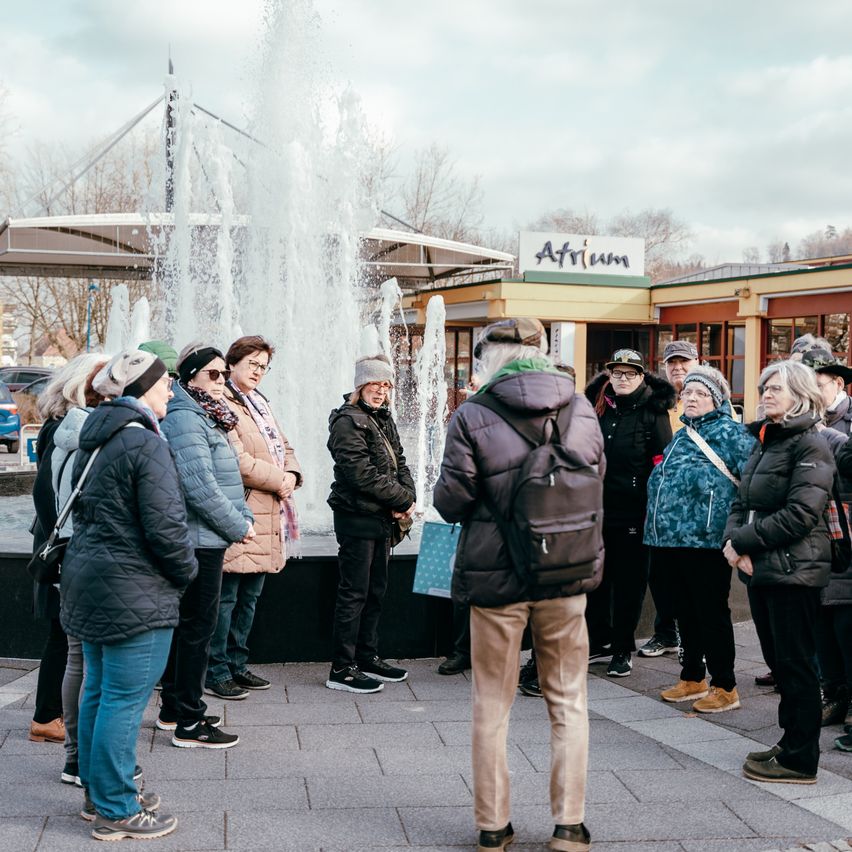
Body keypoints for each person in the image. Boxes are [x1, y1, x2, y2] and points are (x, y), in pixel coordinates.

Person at [434, 317, 601, 852]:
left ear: (489, 357)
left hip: (497, 576)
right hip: (566, 574)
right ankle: (569, 826)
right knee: (569, 700)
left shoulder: (473, 413)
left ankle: (493, 826)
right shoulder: (582, 408)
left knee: (492, 703)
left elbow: (451, 501)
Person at [60, 350, 197, 840]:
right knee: (122, 699)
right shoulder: (145, 443)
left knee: (99, 691)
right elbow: (166, 529)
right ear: (141, 389)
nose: (171, 392)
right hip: (133, 589)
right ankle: (117, 809)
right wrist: (186, 573)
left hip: (90, 580)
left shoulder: (97, 435)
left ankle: (100, 796)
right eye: (164, 385)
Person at [724, 359, 835, 785]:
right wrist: (733, 544)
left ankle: (801, 759)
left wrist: (743, 542)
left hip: (795, 570)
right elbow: (741, 499)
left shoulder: (811, 445)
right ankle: (789, 743)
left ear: (801, 395)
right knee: (779, 663)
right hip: (762, 567)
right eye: (764, 387)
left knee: (796, 665)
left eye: (777, 388)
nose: (766, 393)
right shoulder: (765, 441)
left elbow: (801, 514)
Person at [158, 343, 255, 748]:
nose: (221, 381)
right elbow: (198, 485)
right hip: (201, 538)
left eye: (222, 374)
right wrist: (239, 525)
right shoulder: (186, 418)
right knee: (198, 627)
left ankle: (175, 708)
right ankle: (190, 723)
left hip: (207, 536)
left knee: (189, 626)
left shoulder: (202, 413)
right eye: (212, 374)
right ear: (191, 376)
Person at [645, 367, 755, 712]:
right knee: (684, 612)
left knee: (711, 612)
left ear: (717, 399)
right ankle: (692, 676)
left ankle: (725, 686)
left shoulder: (734, 435)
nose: (690, 398)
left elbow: (751, 487)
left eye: (700, 394)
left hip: (708, 541)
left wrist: (740, 537)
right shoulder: (682, 434)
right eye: (687, 393)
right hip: (670, 541)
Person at [205, 335, 302, 700]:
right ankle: (215, 672)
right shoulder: (223, 402)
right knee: (226, 599)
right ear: (232, 364)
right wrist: (280, 481)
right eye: (252, 364)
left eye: (263, 366)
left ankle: (236, 664)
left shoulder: (259, 403)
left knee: (249, 599)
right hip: (243, 509)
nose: (258, 372)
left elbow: (284, 445)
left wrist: (292, 475)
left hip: (269, 512)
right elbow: (237, 460)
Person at [326, 353, 416, 693]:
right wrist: (400, 500)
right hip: (357, 518)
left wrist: (407, 495)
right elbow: (359, 473)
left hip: (380, 519)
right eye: (375, 383)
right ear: (360, 385)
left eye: (387, 384)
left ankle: (367, 657)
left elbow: (399, 461)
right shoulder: (347, 420)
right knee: (354, 593)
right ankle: (342, 668)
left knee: (375, 591)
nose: (382, 390)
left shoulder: (382, 418)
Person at [584, 348, 674, 677]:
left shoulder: (653, 411)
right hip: (596, 510)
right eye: (617, 373)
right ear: (608, 374)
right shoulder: (596, 406)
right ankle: (598, 640)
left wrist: (655, 510)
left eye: (630, 373)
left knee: (629, 583)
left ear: (641, 377)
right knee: (596, 579)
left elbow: (663, 464)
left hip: (634, 513)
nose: (623, 379)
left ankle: (623, 648)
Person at [45, 354, 111, 784]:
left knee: (77, 658)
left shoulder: (60, 431)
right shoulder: (93, 434)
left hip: (69, 556)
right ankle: (86, 761)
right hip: (94, 558)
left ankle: (74, 756)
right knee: (95, 664)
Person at [638, 339, 699, 659]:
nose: (677, 368)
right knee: (659, 571)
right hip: (658, 498)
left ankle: (692, 639)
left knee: (689, 573)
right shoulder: (656, 400)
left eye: (683, 362)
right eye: (672, 363)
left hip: (693, 501)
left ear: (696, 362)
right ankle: (665, 633)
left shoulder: (708, 399)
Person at [804, 346, 852, 436]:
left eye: (818, 386)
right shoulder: (794, 415)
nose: (810, 393)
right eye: (805, 387)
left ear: (839, 384)